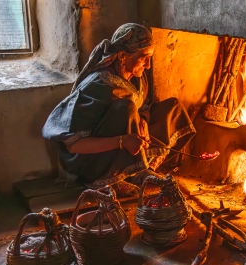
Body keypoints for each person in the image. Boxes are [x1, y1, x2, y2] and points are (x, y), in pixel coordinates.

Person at [42, 23, 195, 197]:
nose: (148, 65)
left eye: (150, 57)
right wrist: (122, 141)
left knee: (172, 107)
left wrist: (143, 119)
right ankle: (109, 180)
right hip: (91, 160)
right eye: (144, 57)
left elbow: (143, 105)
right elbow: (74, 145)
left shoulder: (136, 76)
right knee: (126, 108)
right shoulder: (97, 86)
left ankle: (139, 170)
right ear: (122, 56)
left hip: (126, 140)